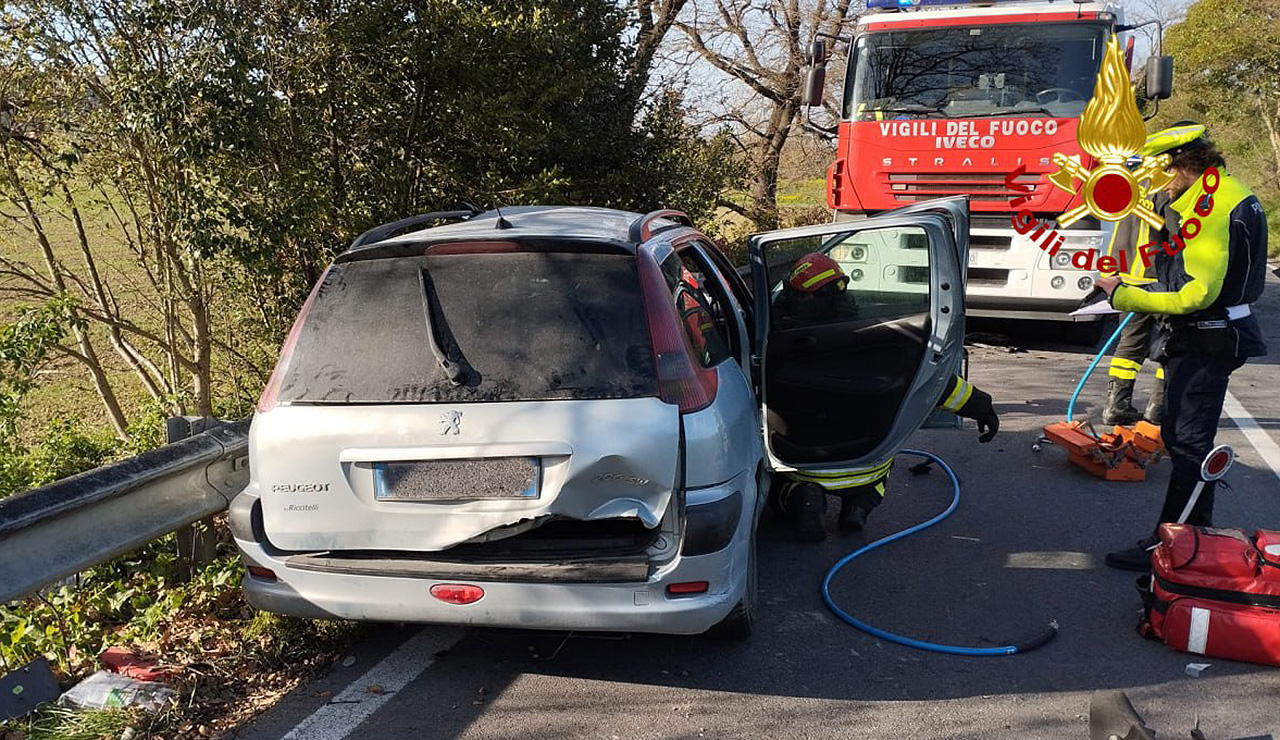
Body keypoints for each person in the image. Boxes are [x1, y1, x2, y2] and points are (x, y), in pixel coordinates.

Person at [1097, 123, 1269, 570]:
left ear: (1184, 165)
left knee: (1189, 443)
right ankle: (1192, 538)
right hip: (1204, 334)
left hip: (1208, 336)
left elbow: (1197, 293)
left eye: (1160, 174)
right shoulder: (1211, 194)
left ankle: (1173, 546)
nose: (1157, 186)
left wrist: (1122, 296)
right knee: (1184, 437)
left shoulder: (1213, 207)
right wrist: (1132, 283)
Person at [769, 253, 1001, 541]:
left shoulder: (771, 343)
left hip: (799, 458)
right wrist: (982, 408)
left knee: (779, 488)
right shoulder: (878, 342)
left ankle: (801, 497)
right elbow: (935, 384)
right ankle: (859, 506)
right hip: (866, 458)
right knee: (876, 479)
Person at [1099, 188, 1172, 426]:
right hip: (1161, 280)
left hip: (1130, 278)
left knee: (1129, 345)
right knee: (1171, 345)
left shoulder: (1133, 185)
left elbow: (1119, 232)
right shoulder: (1174, 189)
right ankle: (1159, 407)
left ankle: (1116, 406)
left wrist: (1110, 273)